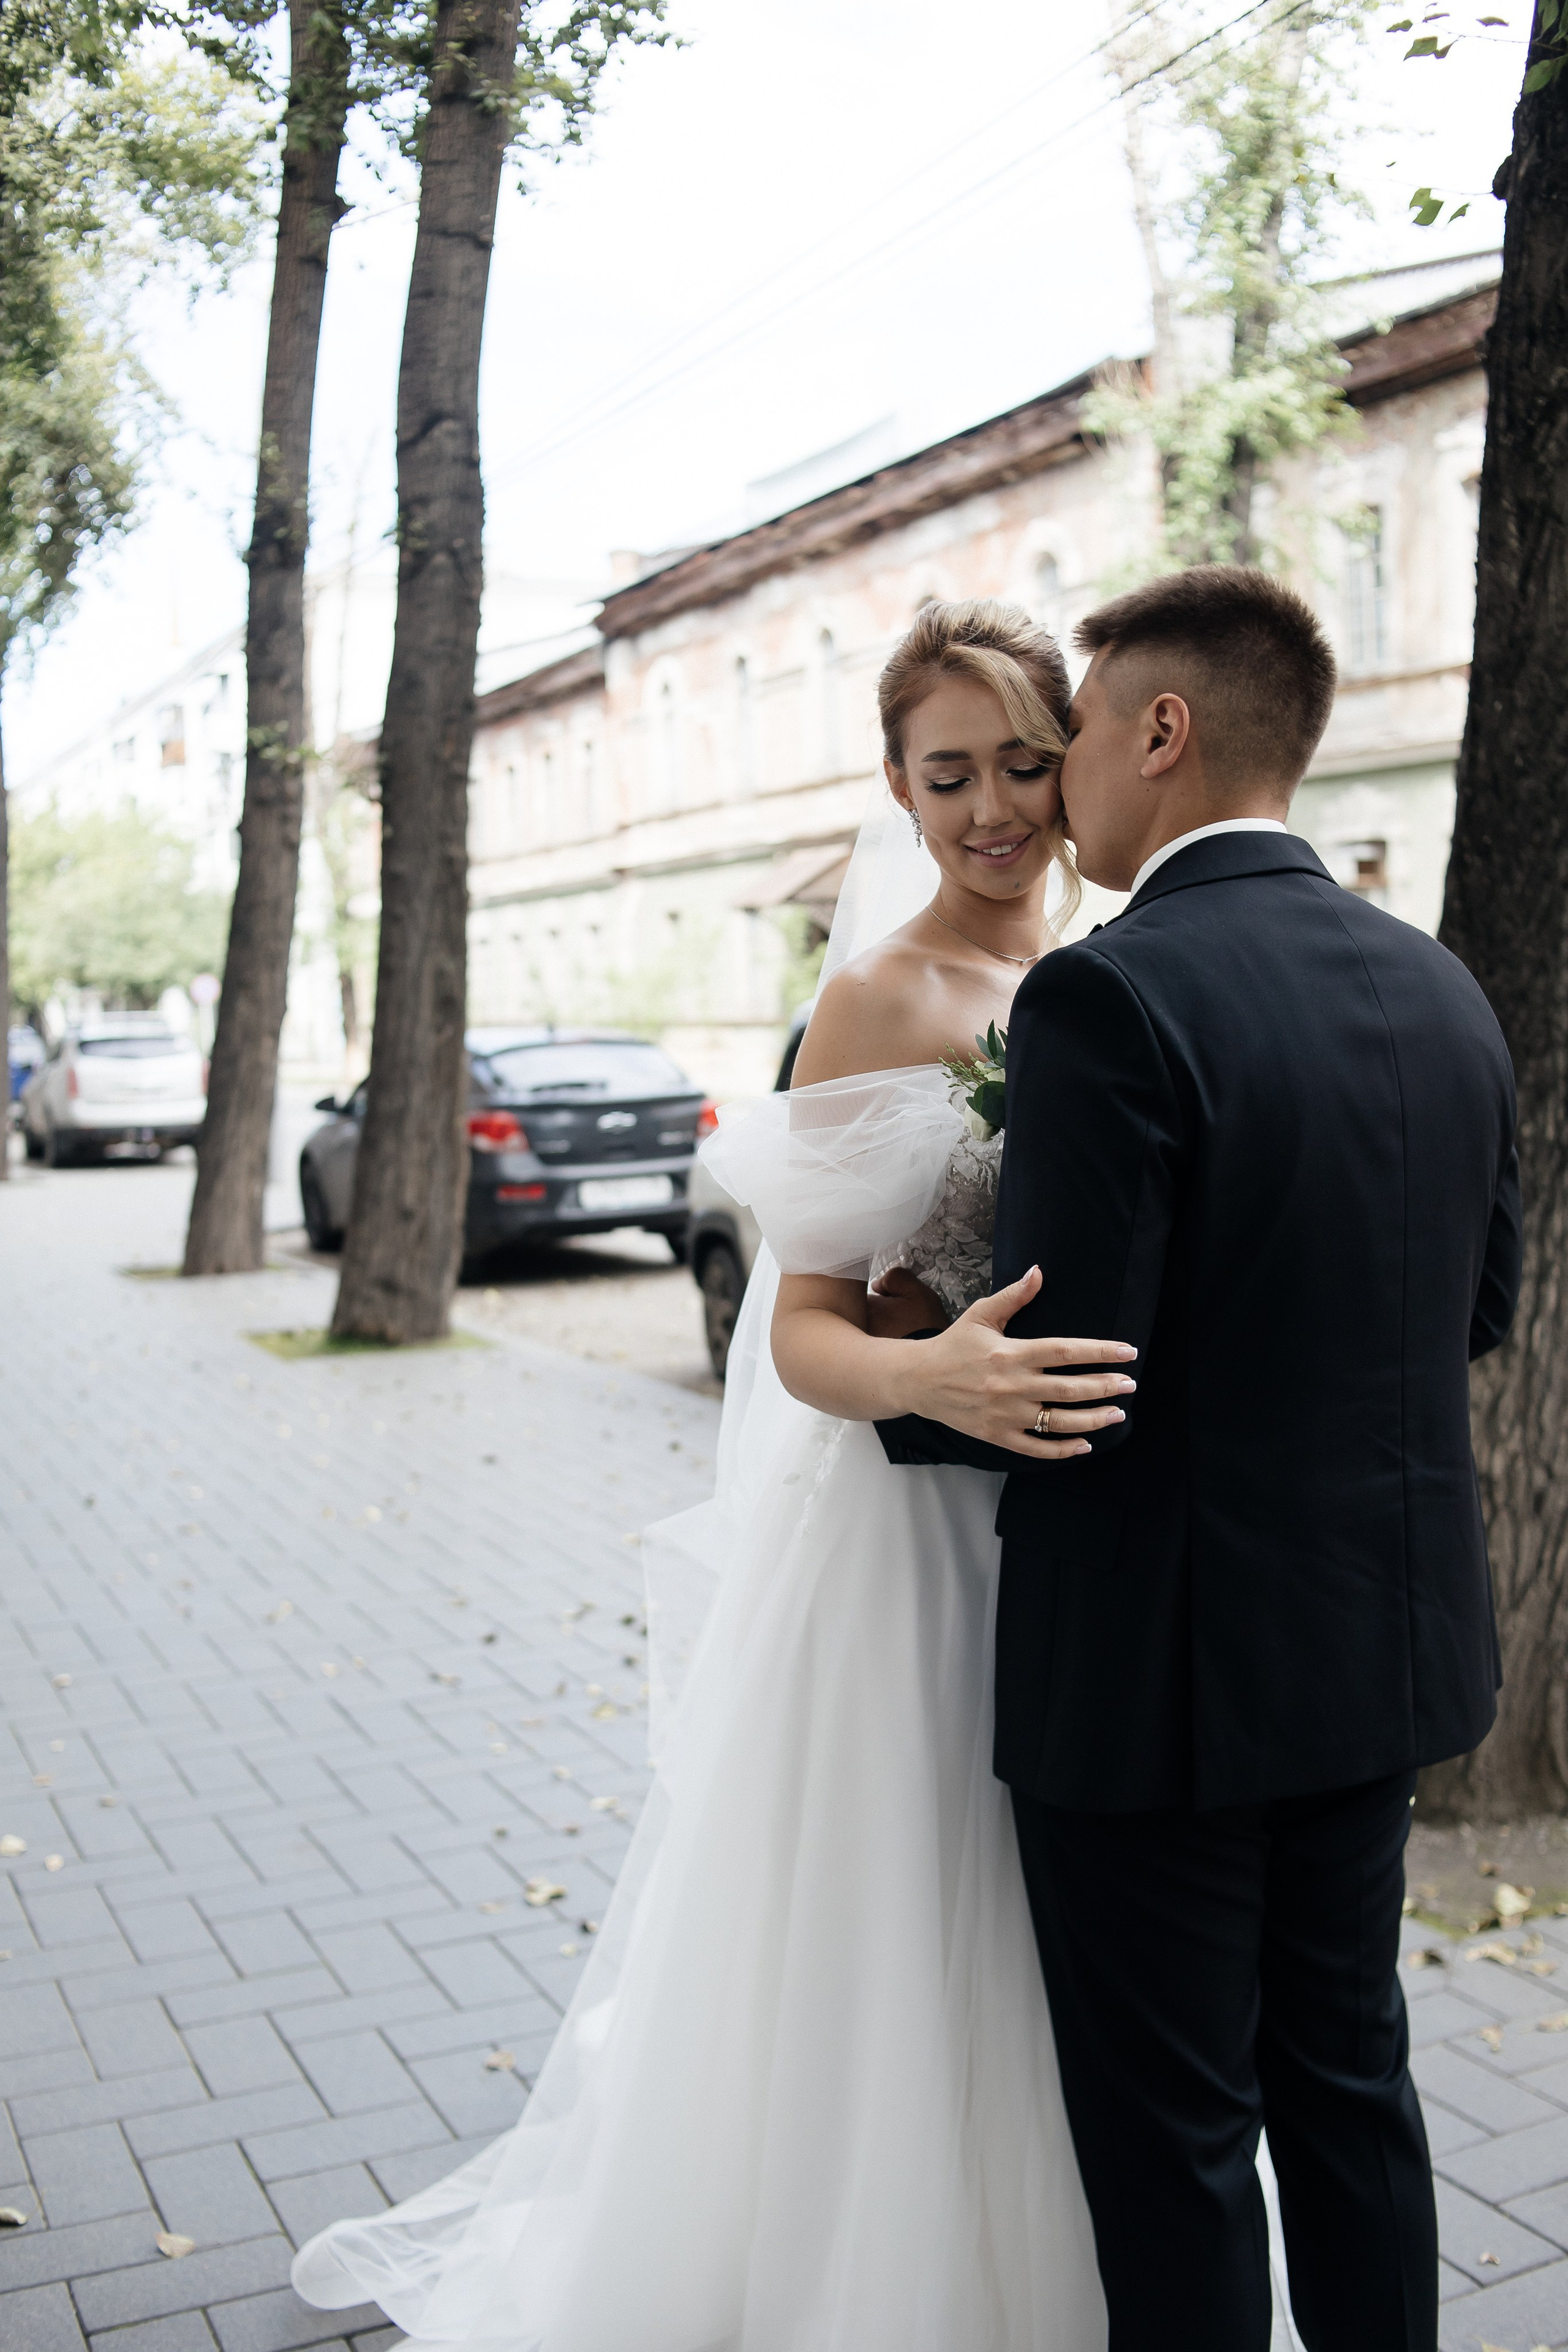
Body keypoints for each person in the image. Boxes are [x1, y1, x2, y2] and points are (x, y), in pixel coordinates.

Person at [291, 599, 1128, 2350]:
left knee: (1069, 1938)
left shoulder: (1115, 974)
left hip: (1073, 1523)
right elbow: (806, 1329)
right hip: (905, 1540)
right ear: (897, 789)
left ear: (1076, 764)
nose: (991, 808)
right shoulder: (880, 994)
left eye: (1022, 766)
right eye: (948, 772)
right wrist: (934, 1372)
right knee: (909, 1921)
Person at [872, 566, 1523, 2348]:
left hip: (1160, 1690)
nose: (1052, 783)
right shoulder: (1443, 990)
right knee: (1350, 2088)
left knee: (1174, 2142)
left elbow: (1065, 1379)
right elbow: (1474, 1307)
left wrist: (897, 1382)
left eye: (1069, 739)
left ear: (1158, 734)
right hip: (1380, 1657)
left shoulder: (1112, 997)